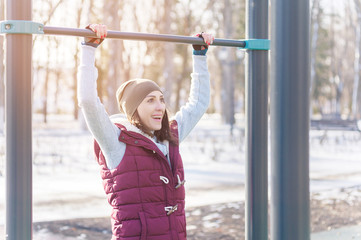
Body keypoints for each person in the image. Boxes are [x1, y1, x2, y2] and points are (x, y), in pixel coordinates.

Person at [78, 23, 214, 240]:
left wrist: (199, 56)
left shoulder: (169, 137)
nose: (160, 106)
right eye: (150, 101)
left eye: (161, 99)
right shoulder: (116, 141)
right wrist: (89, 48)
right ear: (134, 109)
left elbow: (198, 103)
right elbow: (88, 102)